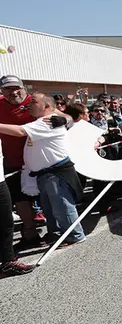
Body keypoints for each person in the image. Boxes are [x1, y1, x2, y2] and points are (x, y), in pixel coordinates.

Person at [0, 93, 86, 247]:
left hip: (55, 173)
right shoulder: (41, 121)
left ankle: (74, 235)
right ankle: (57, 233)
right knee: (50, 208)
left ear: (46, 106)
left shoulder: (48, 121)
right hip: (45, 174)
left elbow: (20, 131)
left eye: (33, 102)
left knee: (62, 206)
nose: (29, 105)